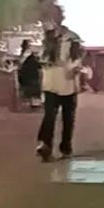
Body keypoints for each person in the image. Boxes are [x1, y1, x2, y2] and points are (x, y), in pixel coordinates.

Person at [36, 9, 82, 160]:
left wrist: (74, 67)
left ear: (61, 18)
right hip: (51, 83)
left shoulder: (72, 38)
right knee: (49, 116)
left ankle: (66, 148)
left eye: (56, 17)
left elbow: (77, 58)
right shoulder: (48, 38)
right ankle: (45, 146)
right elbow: (42, 58)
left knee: (68, 119)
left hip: (68, 83)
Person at [16, 37, 41, 107]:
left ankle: (34, 102)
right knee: (33, 91)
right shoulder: (28, 56)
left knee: (32, 92)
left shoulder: (29, 56)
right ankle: (34, 102)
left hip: (30, 79)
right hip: (30, 79)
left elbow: (19, 65)